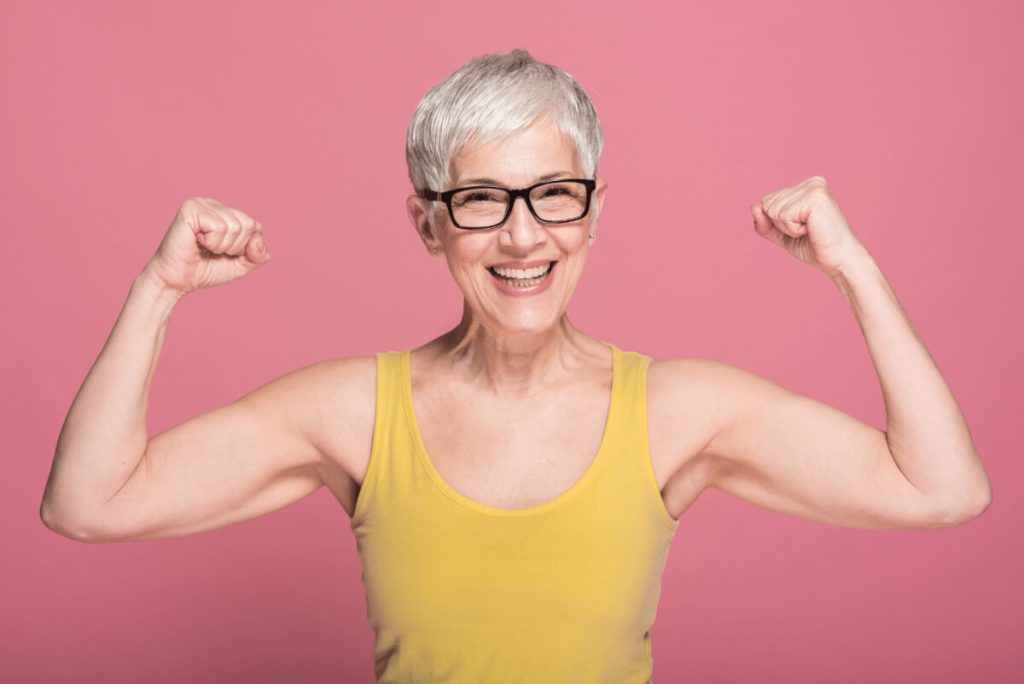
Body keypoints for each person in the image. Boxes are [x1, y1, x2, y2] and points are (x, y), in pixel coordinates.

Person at [40, 49, 992, 683]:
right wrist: (159, 289)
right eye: (483, 199)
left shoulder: (676, 410)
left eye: (554, 195)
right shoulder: (355, 411)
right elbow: (89, 502)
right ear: (428, 224)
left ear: (596, 210)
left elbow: (942, 487)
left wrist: (852, 270)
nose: (523, 234)